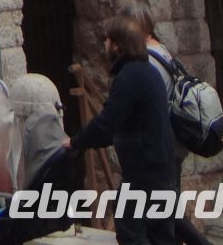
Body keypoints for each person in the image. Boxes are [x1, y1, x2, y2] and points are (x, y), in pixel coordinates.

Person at [70, 15, 177, 245]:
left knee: (132, 232)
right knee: (160, 235)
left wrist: (75, 142)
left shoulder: (129, 76)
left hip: (144, 173)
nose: (103, 44)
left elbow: (107, 124)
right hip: (160, 168)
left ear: (117, 44)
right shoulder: (147, 72)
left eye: (105, 39)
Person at [122, 4, 211, 245]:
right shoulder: (162, 52)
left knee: (160, 217)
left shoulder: (149, 63)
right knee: (166, 212)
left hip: (160, 151)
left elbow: (147, 109)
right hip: (170, 148)